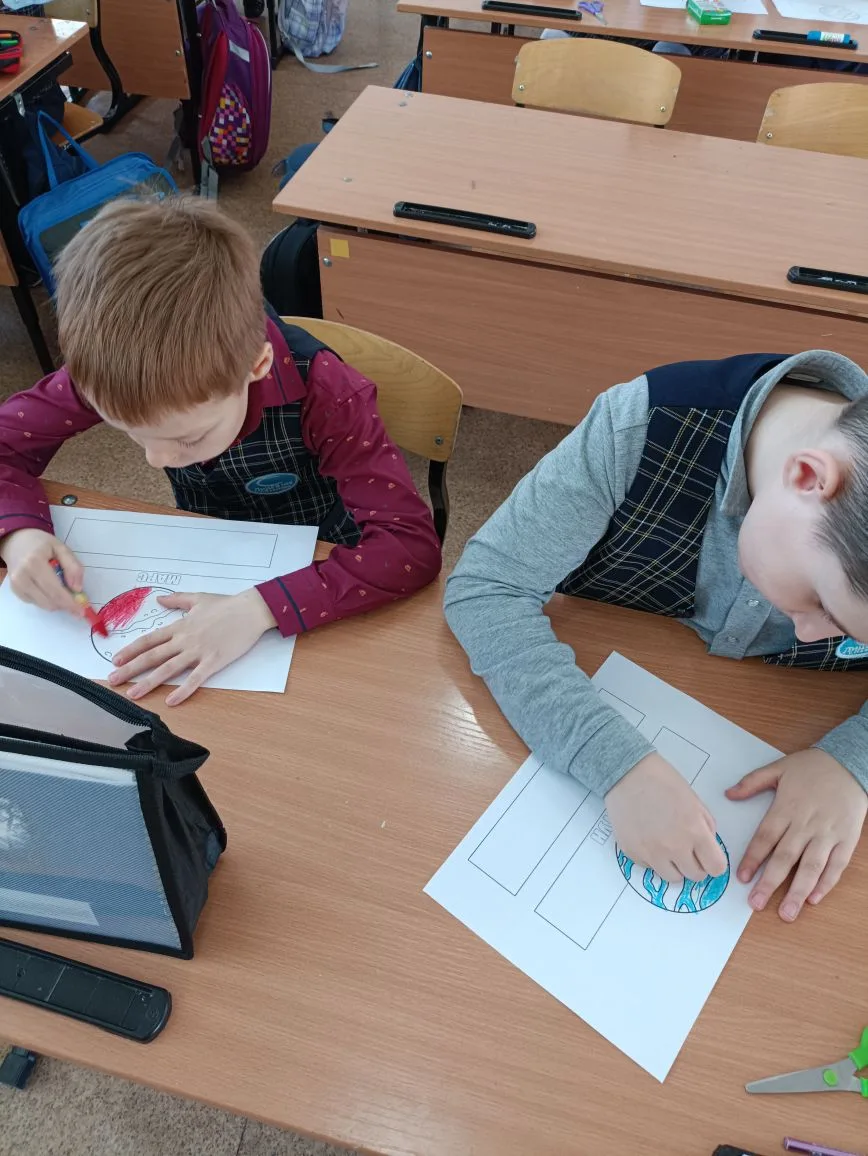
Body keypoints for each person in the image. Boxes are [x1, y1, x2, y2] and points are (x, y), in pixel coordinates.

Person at [444, 351, 868, 924]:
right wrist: (616, 765)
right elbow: (487, 589)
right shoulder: (641, 427)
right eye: (820, 601)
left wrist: (853, 761)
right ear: (807, 478)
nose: (809, 633)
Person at [0, 196, 442, 704]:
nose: (155, 460)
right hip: (209, 552)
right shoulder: (108, 372)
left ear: (257, 366)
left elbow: (409, 548)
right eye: (130, 433)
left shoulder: (326, 392)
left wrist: (260, 608)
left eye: (187, 438)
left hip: (325, 558)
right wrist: (19, 535)